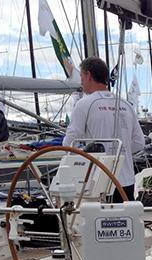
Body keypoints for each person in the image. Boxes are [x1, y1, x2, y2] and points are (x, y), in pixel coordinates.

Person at [63, 56, 145, 202]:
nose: (81, 81)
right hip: (126, 181)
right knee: (125, 222)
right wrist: (119, 151)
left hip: (99, 182)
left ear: (88, 75)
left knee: (99, 223)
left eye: (81, 76)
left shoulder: (84, 104)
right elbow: (139, 142)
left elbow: (69, 143)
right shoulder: (126, 105)